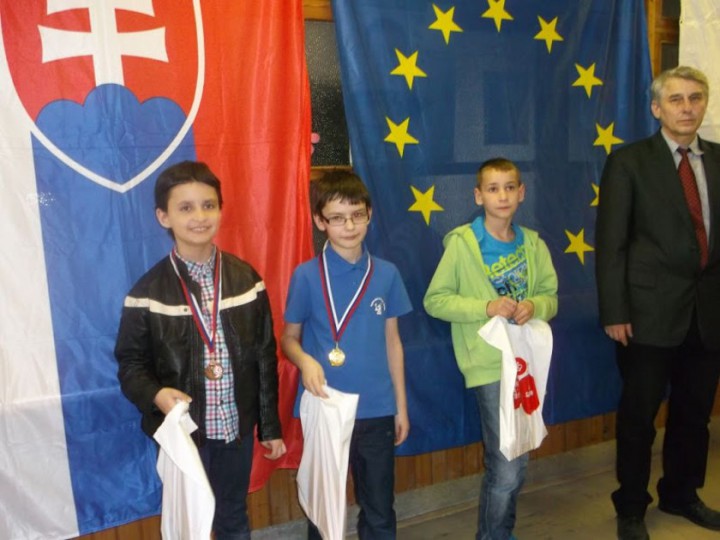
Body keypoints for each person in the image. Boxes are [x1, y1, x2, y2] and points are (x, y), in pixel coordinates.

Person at [115, 160, 286, 540]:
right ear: (164, 217)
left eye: (208, 205)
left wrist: (269, 426)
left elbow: (264, 355)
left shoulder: (247, 280)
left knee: (233, 518)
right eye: (186, 207)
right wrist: (156, 394)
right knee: (188, 525)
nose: (199, 217)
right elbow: (130, 364)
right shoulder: (146, 293)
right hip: (182, 432)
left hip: (235, 430)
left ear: (221, 210)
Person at [596, 65, 720, 540]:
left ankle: (681, 494)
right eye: (676, 99)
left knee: (694, 414)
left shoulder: (718, 159)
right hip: (645, 316)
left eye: (695, 98)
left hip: (707, 315)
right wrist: (615, 312)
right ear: (656, 108)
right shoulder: (629, 162)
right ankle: (631, 507)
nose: (687, 108)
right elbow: (611, 243)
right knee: (638, 419)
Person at [424, 158, 558, 540]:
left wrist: (535, 305)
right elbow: (435, 301)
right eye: (493, 188)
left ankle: (501, 532)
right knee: (506, 465)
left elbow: (550, 296)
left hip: (526, 362)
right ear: (478, 196)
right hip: (489, 366)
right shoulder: (463, 244)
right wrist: (486, 307)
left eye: (510, 187)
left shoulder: (533, 244)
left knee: (519, 459)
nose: (503, 196)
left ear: (522, 192)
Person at [281, 170, 412, 539]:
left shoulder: (386, 274)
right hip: (326, 406)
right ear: (320, 221)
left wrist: (400, 407)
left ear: (369, 214)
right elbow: (289, 338)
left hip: (377, 409)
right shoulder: (306, 276)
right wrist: (305, 361)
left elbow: (393, 342)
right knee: (323, 507)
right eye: (337, 218)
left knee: (380, 507)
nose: (349, 226)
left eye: (357, 215)